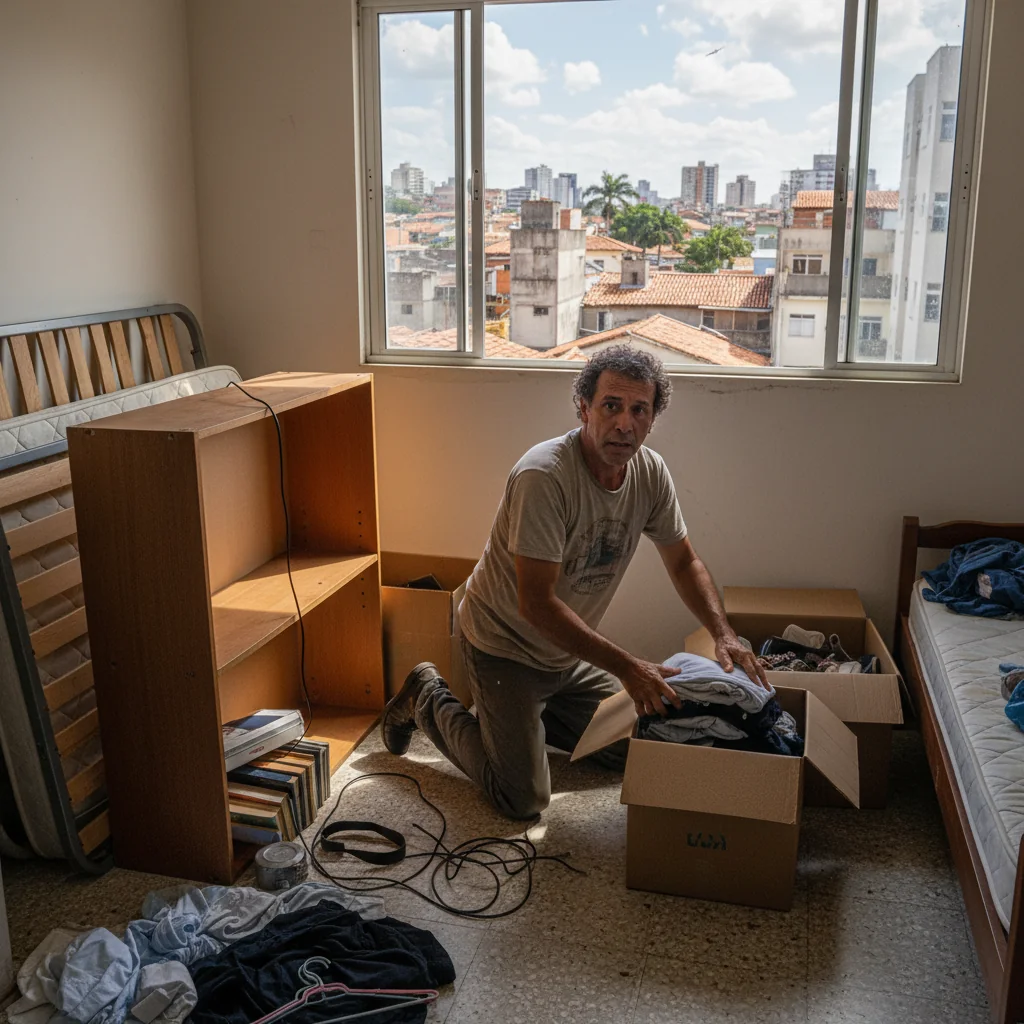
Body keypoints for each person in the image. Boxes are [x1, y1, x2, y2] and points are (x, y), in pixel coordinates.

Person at [382, 344, 768, 819]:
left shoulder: (650, 473)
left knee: (639, 747)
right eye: (611, 406)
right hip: (504, 647)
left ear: (651, 420)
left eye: (639, 410)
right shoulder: (544, 476)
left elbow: (684, 562)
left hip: (567, 656)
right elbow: (537, 606)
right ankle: (426, 696)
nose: (624, 424)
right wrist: (628, 667)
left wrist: (723, 633)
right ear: (584, 408)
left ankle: (528, 723)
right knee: (521, 798)